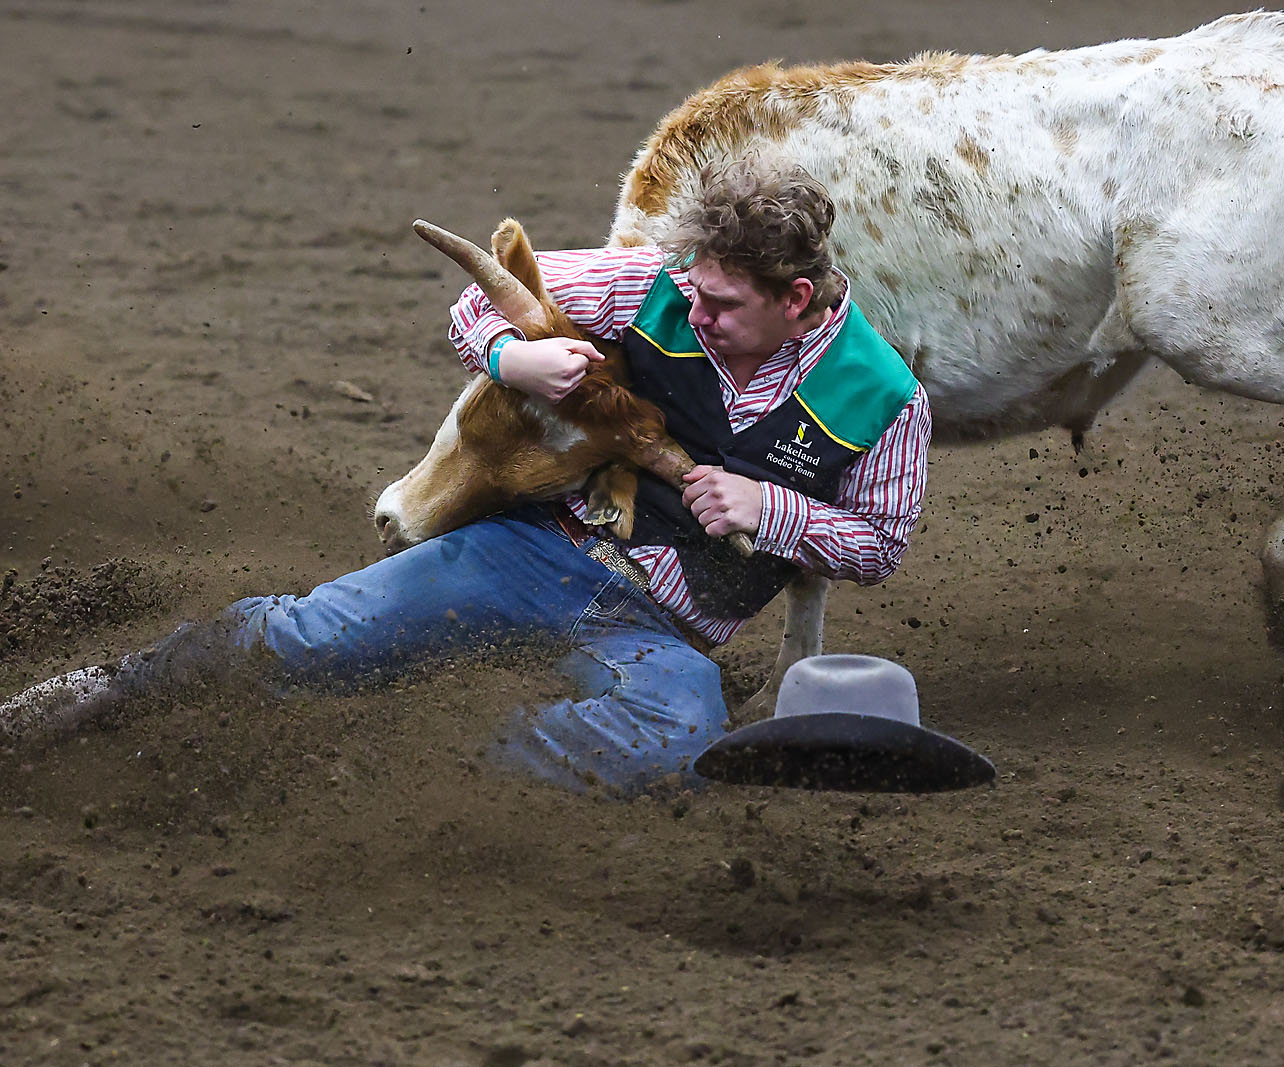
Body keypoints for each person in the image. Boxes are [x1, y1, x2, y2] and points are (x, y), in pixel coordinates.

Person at [0, 157, 932, 796]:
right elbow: (474, 302)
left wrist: (772, 509)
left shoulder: (885, 399)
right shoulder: (656, 283)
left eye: (725, 305)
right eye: (694, 285)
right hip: (531, 554)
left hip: (665, 628)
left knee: (671, 742)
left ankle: (430, 782)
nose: (698, 307)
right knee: (315, 639)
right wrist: (508, 361)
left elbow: (880, 544)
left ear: (796, 299)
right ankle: (94, 692)